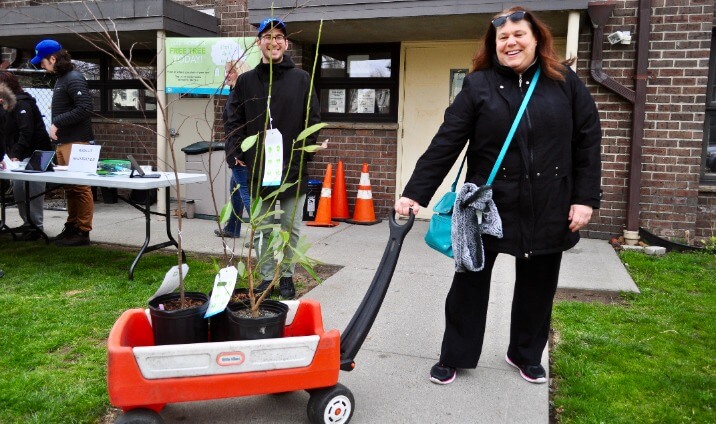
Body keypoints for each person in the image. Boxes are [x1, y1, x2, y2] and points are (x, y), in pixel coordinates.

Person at [394, 7, 601, 385]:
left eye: (519, 34)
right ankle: (455, 354)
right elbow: (447, 142)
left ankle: (524, 354)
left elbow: (587, 141)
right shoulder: (478, 85)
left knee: (538, 286)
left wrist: (585, 199)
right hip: (487, 206)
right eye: (503, 37)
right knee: (469, 282)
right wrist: (414, 193)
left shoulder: (564, 82)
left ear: (536, 38)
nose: (511, 42)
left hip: (549, 203)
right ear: (494, 45)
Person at [225, 17, 321, 299]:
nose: (273, 41)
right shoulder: (245, 82)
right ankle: (267, 277)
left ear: (286, 43)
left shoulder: (302, 79)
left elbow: (313, 119)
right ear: (259, 44)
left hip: (292, 167)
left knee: (290, 227)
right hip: (259, 169)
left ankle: (288, 275)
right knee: (264, 229)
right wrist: (236, 152)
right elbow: (234, 121)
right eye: (267, 36)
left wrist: (304, 154)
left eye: (279, 36)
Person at [31, 39, 95, 247]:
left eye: (43, 61)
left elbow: (85, 107)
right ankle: (72, 226)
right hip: (66, 142)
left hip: (77, 143)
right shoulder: (62, 79)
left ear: (53, 58)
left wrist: (57, 122)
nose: (41, 65)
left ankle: (82, 231)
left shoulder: (73, 78)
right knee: (71, 188)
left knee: (80, 188)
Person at [0, 72, 52, 241]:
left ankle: (36, 226)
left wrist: (15, 154)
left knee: (33, 188)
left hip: (39, 153)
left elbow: (26, 131)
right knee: (19, 189)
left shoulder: (22, 103)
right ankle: (27, 222)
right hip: (22, 155)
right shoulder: (6, 105)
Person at [217, 59, 252, 238]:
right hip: (240, 150)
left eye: (230, 72)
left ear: (239, 73)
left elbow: (235, 126)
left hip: (239, 152)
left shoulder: (237, 96)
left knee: (244, 191)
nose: (227, 75)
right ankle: (232, 228)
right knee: (236, 190)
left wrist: (238, 153)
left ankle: (260, 233)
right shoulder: (241, 93)